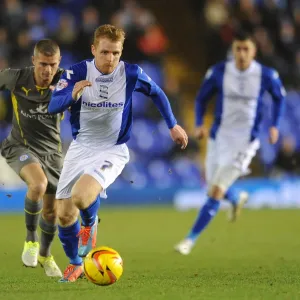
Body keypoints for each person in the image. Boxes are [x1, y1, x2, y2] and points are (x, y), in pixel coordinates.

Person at [48, 24, 188, 282]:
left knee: (81, 197)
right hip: (80, 148)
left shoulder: (131, 73)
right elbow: (53, 105)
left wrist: (172, 124)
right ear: (94, 49)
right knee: (64, 215)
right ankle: (76, 264)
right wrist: (72, 94)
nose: (110, 58)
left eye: (115, 53)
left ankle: (90, 224)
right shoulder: (75, 72)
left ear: (121, 51)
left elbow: (156, 92)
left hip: (112, 150)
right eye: (105, 52)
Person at [175, 31, 285, 255]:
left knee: (215, 190)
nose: (242, 54)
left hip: (245, 142)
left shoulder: (266, 74)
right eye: (238, 49)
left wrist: (275, 125)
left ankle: (189, 240)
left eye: (247, 49)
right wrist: (198, 123)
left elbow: (279, 98)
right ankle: (236, 197)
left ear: (254, 52)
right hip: (218, 137)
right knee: (212, 186)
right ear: (233, 50)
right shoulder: (219, 72)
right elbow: (201, 98)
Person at [0, 39, 63, 276]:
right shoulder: (16, 78)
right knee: (38, 184)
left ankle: (46, 255)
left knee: (51, 212)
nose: (48, 71)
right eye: (43, 64)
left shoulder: (66, 79)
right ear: (33, 61)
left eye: (53, 65)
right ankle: (30, 241)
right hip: (21, 146)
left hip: (53, 153)